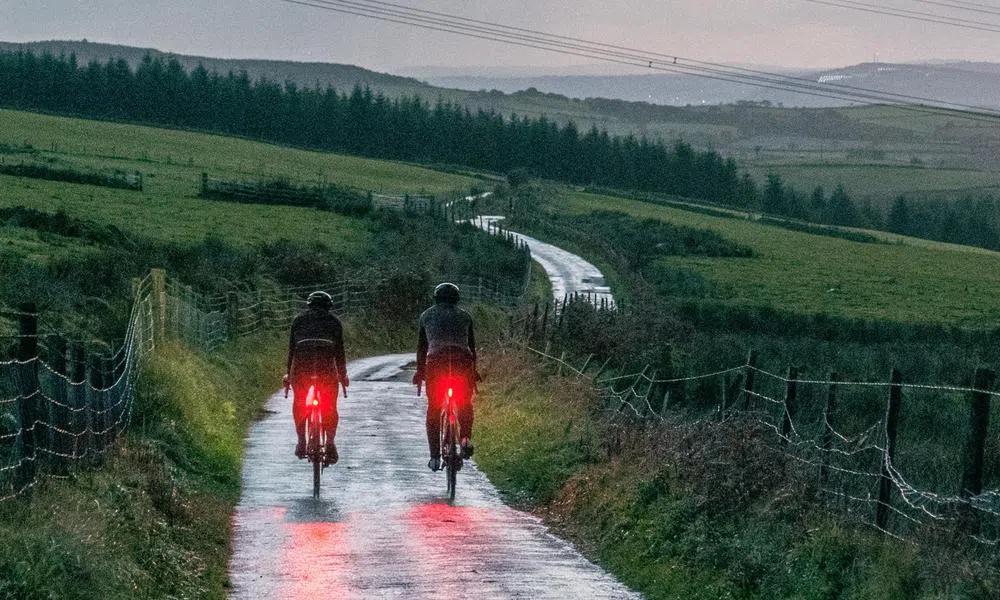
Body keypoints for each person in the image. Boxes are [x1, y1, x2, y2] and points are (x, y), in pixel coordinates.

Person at [413, 282, 478, 471]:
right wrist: (474, 371)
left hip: (436, 363)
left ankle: (434, 457)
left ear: (436, 298)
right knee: (465, 403)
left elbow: (421, 348)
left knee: (434, 409)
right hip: (462, 363)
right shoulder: (465, 317)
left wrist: (420, 371)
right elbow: (472, 348)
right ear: (456, 300)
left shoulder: (426, 316)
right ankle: (465, 438)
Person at [285, 290, 349, 464]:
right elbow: (339, 352)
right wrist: (342, 375)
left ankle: (301, 441)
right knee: (330, 404)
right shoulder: (334, 322)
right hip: (325, 367)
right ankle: (329, 442)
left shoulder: (298, 320)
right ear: (329, 306)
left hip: (302, 368)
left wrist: (288, 375)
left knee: (299, 401)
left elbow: (292, 351)